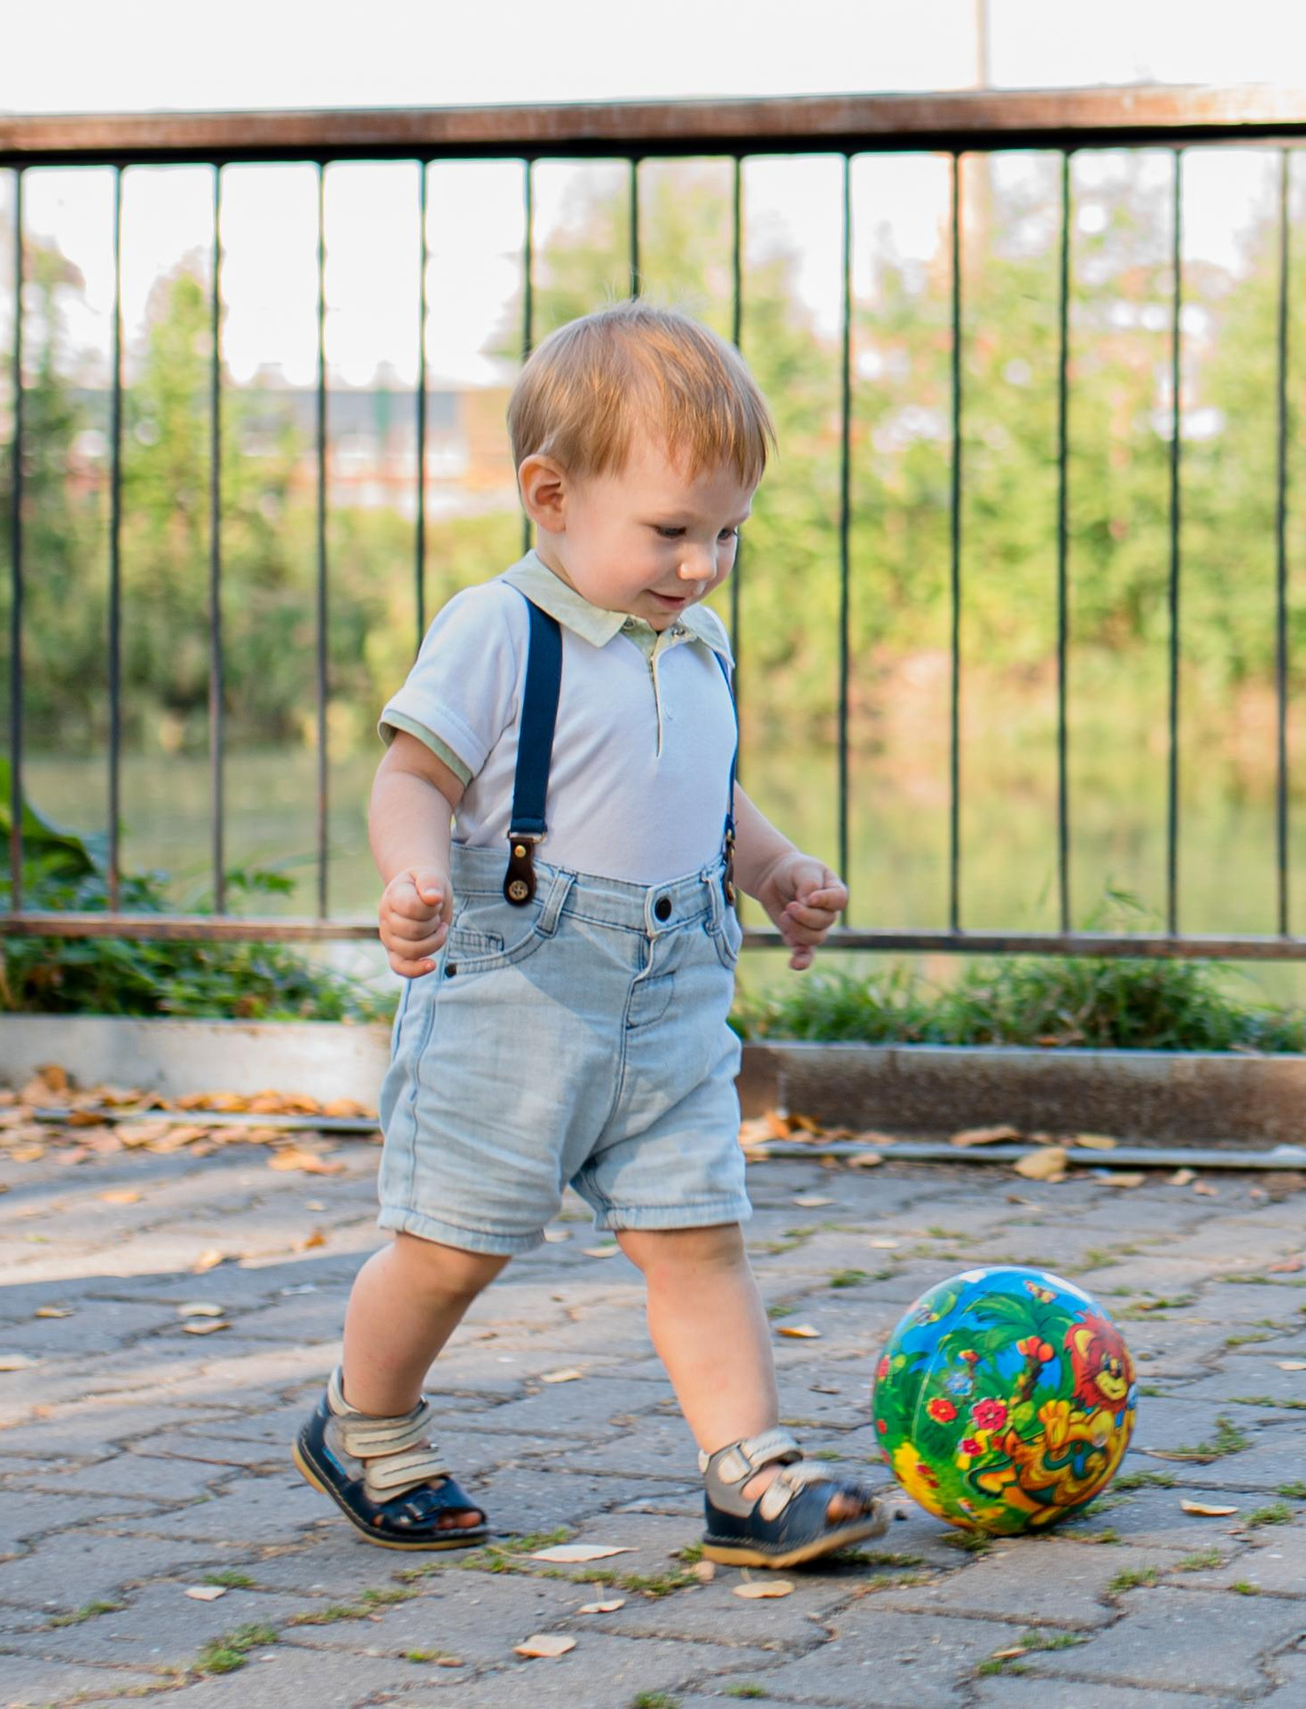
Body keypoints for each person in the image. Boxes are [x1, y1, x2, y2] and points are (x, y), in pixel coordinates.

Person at [290, 301, 884, 1569]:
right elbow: (412, 779)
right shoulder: (497, 628)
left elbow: (704, 789)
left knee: (696, 1236)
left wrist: (772, 868)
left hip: (672, 998)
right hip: (518, 985)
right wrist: (409, 875)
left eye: (727, 531)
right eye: (671, 530)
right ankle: (366, 1420)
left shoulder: (694, 641)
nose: (702, 563)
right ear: (549, 495)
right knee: (452, 1243)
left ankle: (749, 1470)